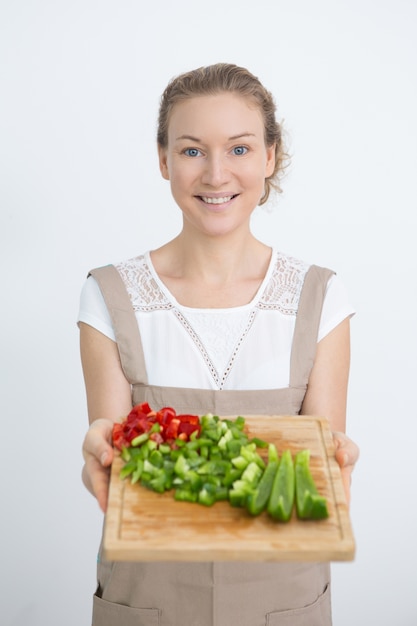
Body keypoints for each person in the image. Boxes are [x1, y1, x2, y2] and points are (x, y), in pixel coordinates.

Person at [78, 62, 359, 626]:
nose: (214, 174)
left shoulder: (321, 295)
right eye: (190, 151)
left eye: (238, 149)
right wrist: (96, 456)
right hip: (147, 597)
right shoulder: (107, 294)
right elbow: (109, 447)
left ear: (269, 157)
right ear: (163, 160)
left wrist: (338, 463)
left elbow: (323, 456)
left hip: (284, 600)